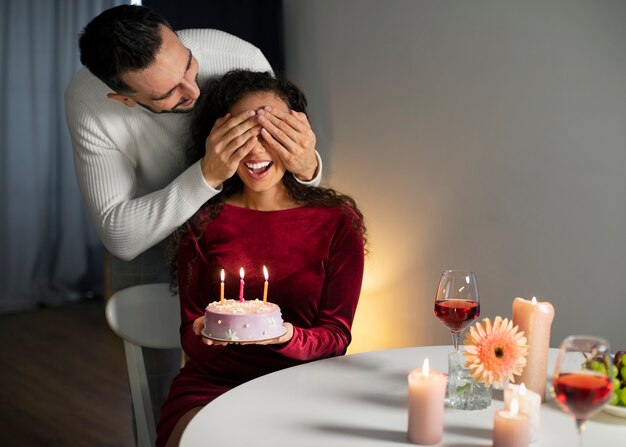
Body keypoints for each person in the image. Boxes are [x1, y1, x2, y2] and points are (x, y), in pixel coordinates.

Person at [64, 5, 321, 424]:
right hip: (151, 230)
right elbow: (121, 236)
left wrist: (309, 166)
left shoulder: (233, 52)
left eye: (187, 65)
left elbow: (284, 163)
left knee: (261, 365)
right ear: (123, 99)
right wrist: (205, 175)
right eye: (168, 94)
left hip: (241, 223)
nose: (193, 90)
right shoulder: (88, 102)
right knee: (156, 395)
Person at [156, 70, 366, 447]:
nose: (256, 150)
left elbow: (336, 337)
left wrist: (283, 336)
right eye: (242, 133)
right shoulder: (204, 221)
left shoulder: (338, 222)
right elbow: (190, 335)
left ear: (297, 136)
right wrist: (206, 332)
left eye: (273, 131)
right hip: (212, 388)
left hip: (307, 387)